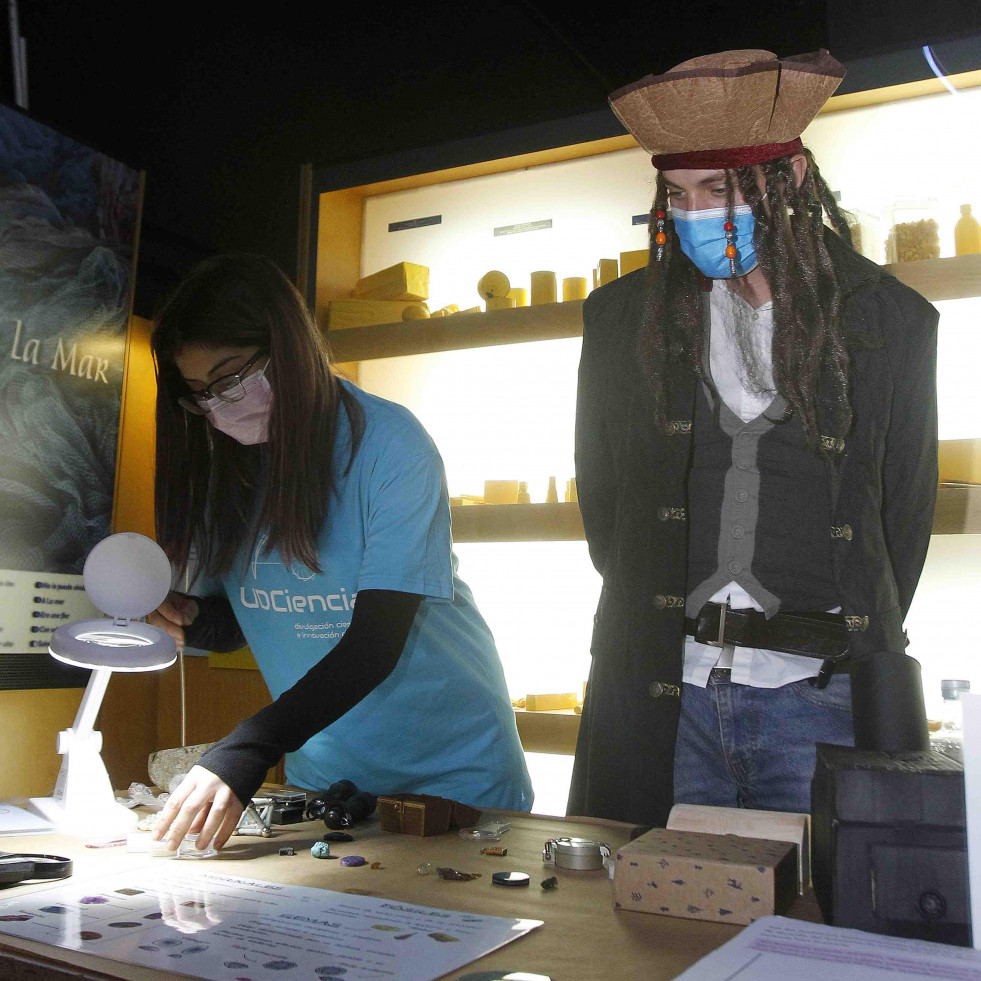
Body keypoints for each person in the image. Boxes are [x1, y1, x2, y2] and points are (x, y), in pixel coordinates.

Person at [569, 49, 937, 826]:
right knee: (651, 926)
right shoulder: (619, 320)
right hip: (665, 695)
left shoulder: (890, 321)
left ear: (792, 179)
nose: (699, 213)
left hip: (820, 697)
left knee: (826, 924)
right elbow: (604, 504)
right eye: (678, 194)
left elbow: (901, 516)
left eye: (721, 189)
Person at [147, 253, 532, 850]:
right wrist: (190, 617)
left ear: (288, 348)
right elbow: (242, 621)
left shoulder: (389, 445)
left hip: (455, 774)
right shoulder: (228, 470)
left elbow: (374, 642)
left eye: (229, 379)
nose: (219, 406)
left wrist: (244, 751)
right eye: (199, 393)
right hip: (328, 777)